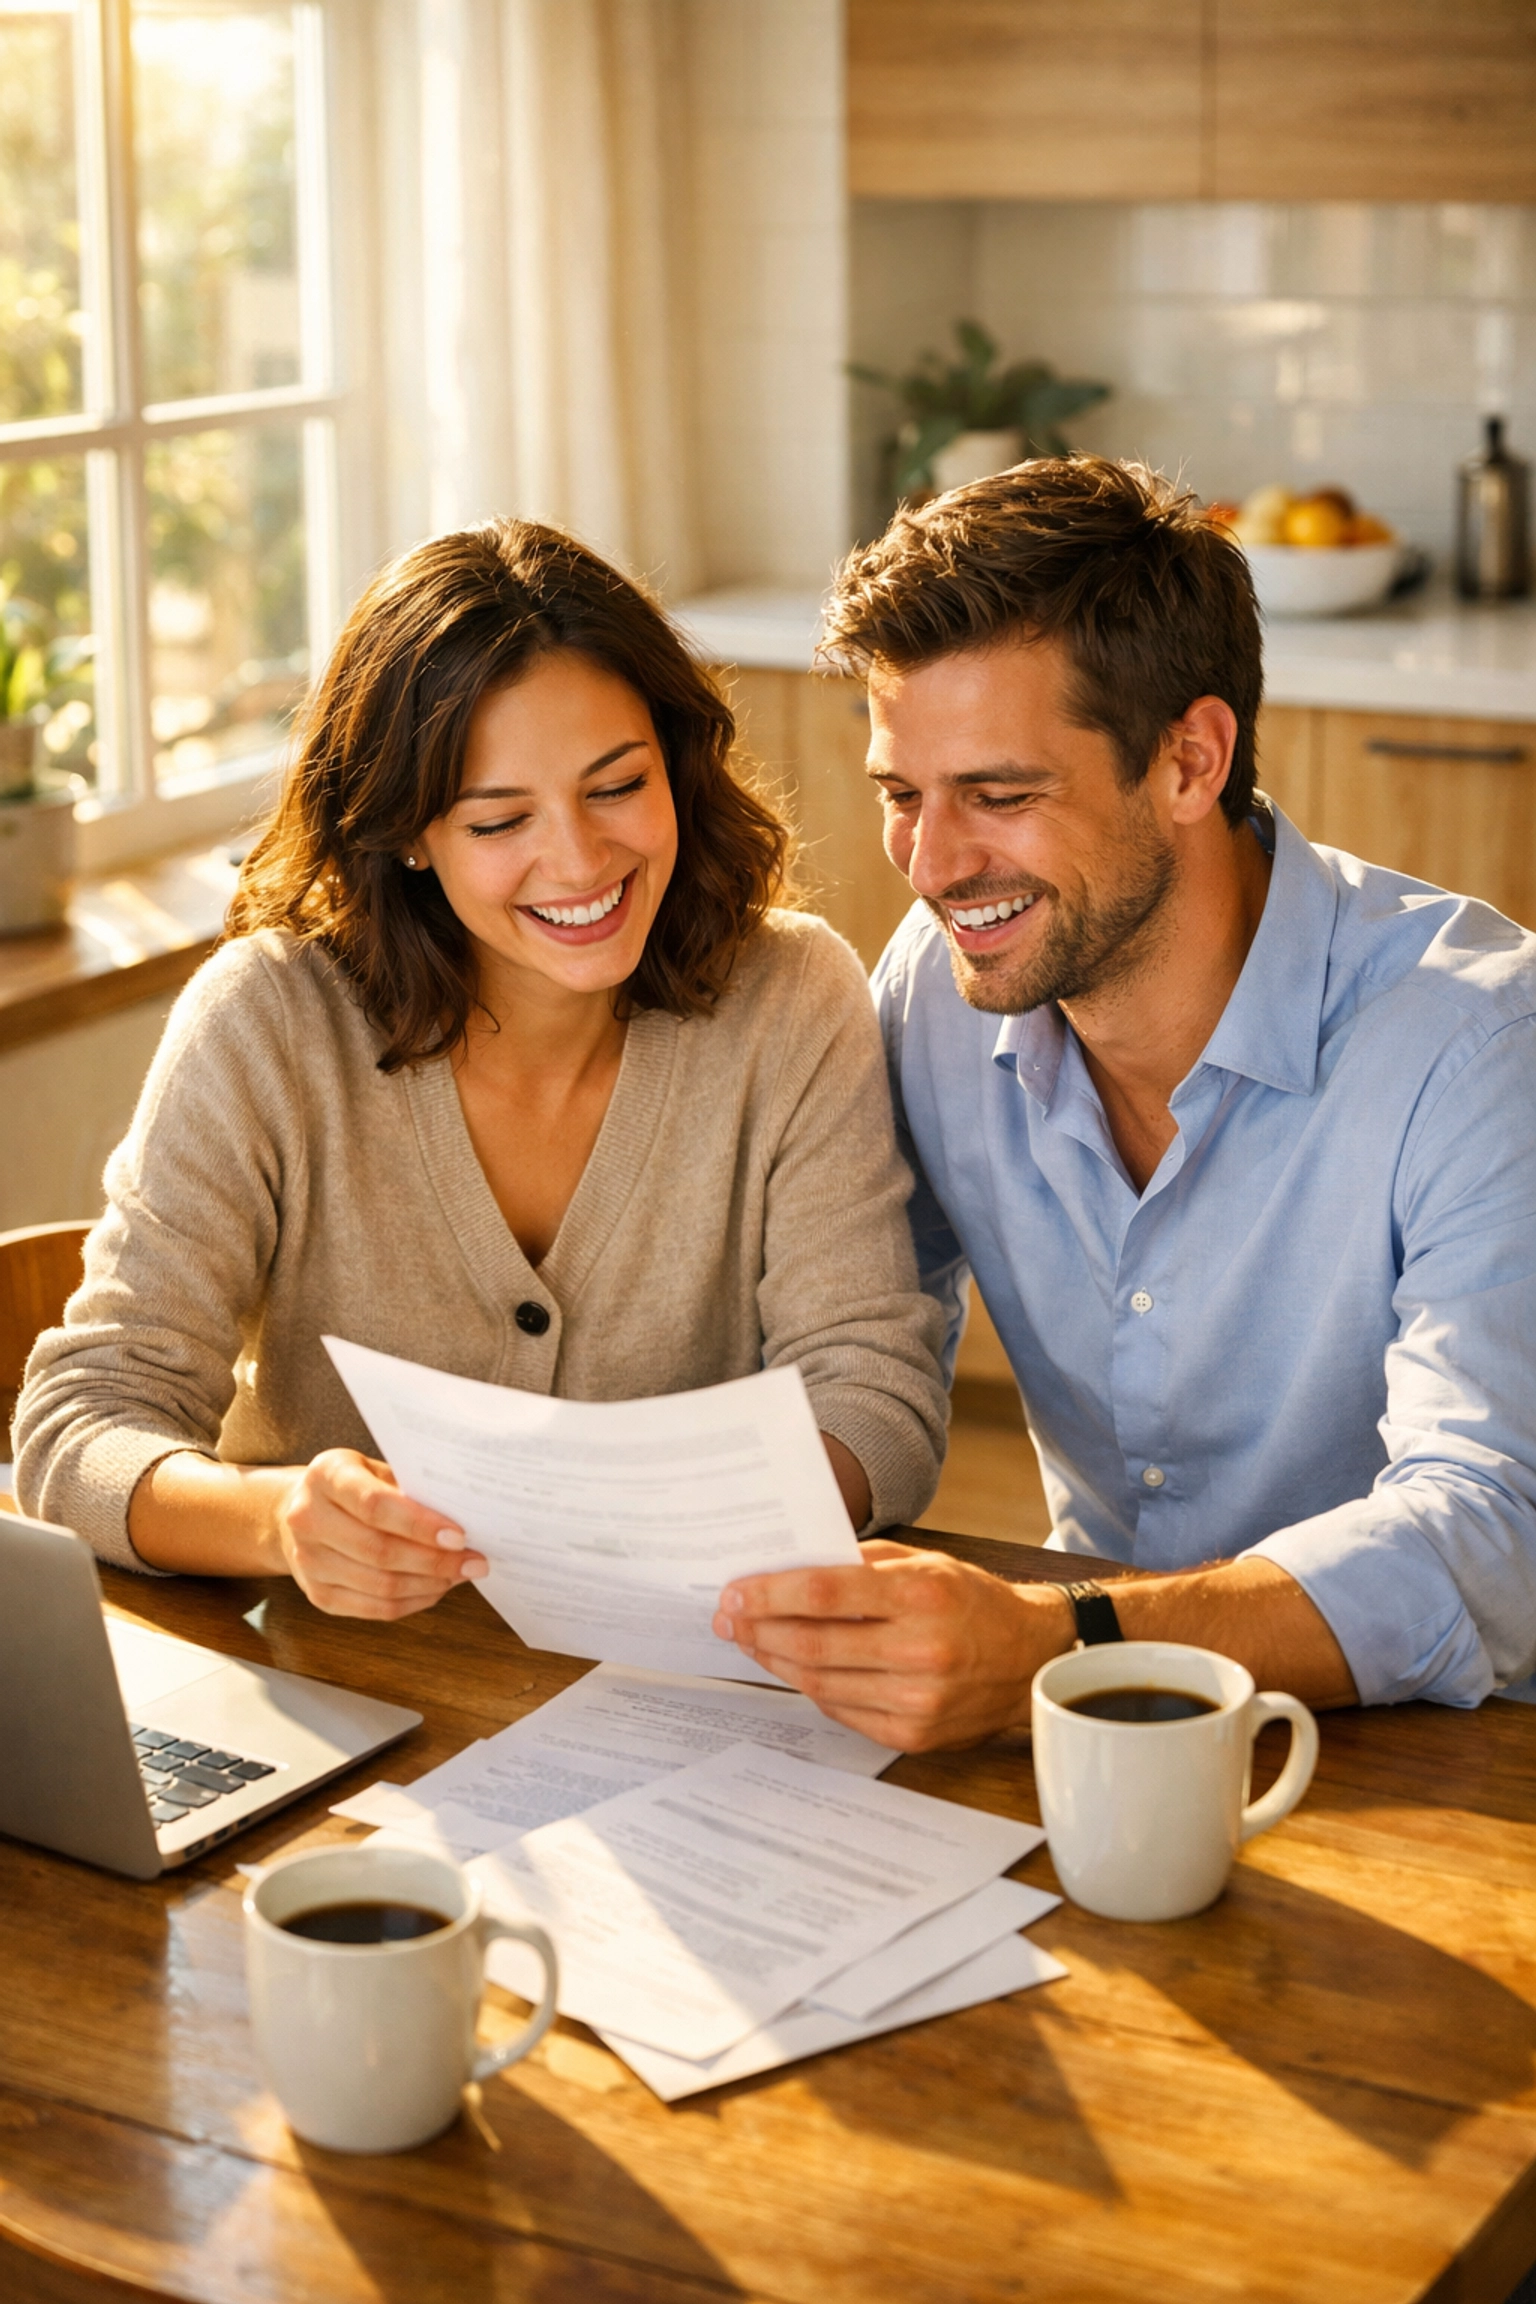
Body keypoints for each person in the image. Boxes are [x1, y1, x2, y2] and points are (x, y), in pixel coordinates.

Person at [713, 455, 1536, 1748]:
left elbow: (1491, 1535)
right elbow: (859, 1347)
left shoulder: (1478, 1044)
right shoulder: (935, 989)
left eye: (1001, 795)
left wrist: (1066, 1638)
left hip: (1436, 1745)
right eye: (901, 796)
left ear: (1191, 761)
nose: (931, 867)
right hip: (1081, 1718)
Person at [15, 519, 946, 1616]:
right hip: (340, 1680)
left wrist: (670, 1531)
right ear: (412, 833)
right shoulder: (268, 1022)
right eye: (501, 818)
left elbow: (878, 1398)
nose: (582, 860)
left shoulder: (791, 997)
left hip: (685, 1674)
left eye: (617, 786)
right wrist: (278, 1522)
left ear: (677, 763)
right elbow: (82, 1422)